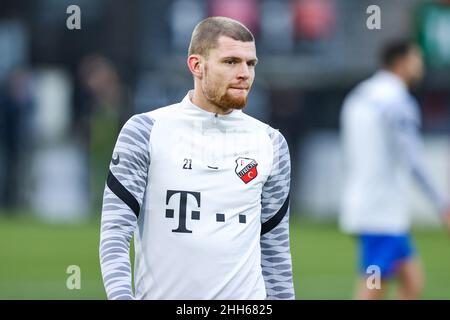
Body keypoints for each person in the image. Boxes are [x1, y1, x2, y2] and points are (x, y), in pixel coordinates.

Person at [99, 16, 295, 300]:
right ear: (197, 65)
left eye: (250, 64)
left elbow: (276, 253)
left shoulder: (271, 143)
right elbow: (115, 235)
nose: (244, 73)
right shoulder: (145, 131)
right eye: (230, 62)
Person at [340, 39, 450, 300]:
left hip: (366, 200)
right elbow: (412, 158)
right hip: (382, 211)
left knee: (412, 281)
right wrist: (442, 204)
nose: (420, 66)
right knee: (373, 287)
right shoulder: (397, 100)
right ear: (401, 63)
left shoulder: (360, 94)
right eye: (416, 59)